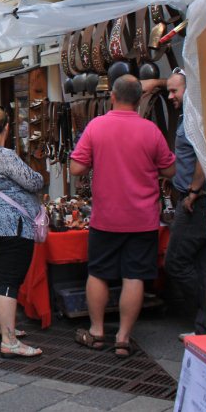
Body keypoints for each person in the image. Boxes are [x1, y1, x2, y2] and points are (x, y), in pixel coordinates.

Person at [70, 75, 176, 358]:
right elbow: (170, 171)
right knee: (134, 276)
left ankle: (96, 331)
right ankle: (123, 338)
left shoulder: (97, 126)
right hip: (143, 218)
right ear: (140, 99)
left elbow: (76, 168)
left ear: (113, 97)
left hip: (106, 217)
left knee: (99, 273)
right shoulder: (150, 130)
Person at [145, 69, 206, 337]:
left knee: (175, 262)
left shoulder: (196, 116)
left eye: (175, 91)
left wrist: (194, 190)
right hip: (196, 197)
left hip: (196, 200)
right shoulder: (192, 113)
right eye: (169, 91)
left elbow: (204, 157)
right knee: (204, 264)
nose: (171, 96)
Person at [0, 109, 45, 357]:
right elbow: (34, 181)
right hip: (14, 224)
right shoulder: (3, 155)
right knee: (9, 281)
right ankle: (9, 340)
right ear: (7, 128)